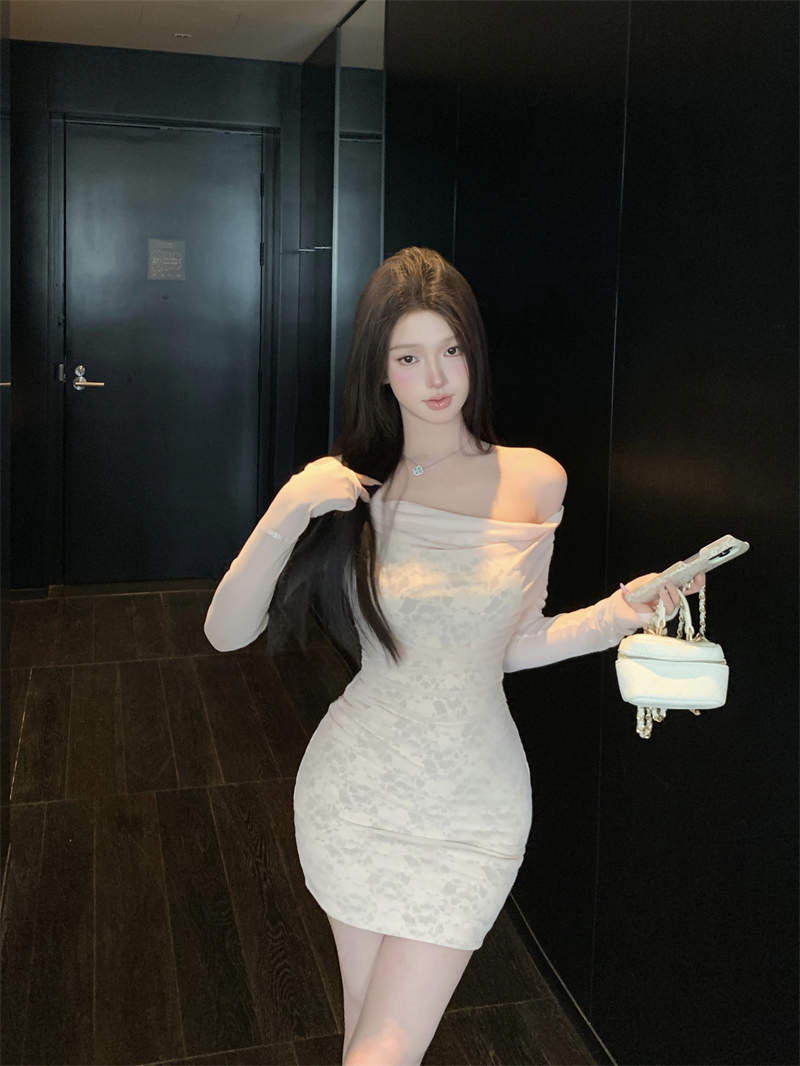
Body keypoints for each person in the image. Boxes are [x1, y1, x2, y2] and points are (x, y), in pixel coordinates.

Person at [203, 247, 705, 1066]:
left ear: (474, 351)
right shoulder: (353, 489)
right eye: (408, 357)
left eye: (451, 350)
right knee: (369, 1036)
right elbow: (226, 632)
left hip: (475, 805)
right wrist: (291, 504)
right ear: (379, 370)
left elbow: (512, 644)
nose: (435, 378)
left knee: (383, 1046)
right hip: (354, 794)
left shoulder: (536, 481)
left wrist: (623, 612)